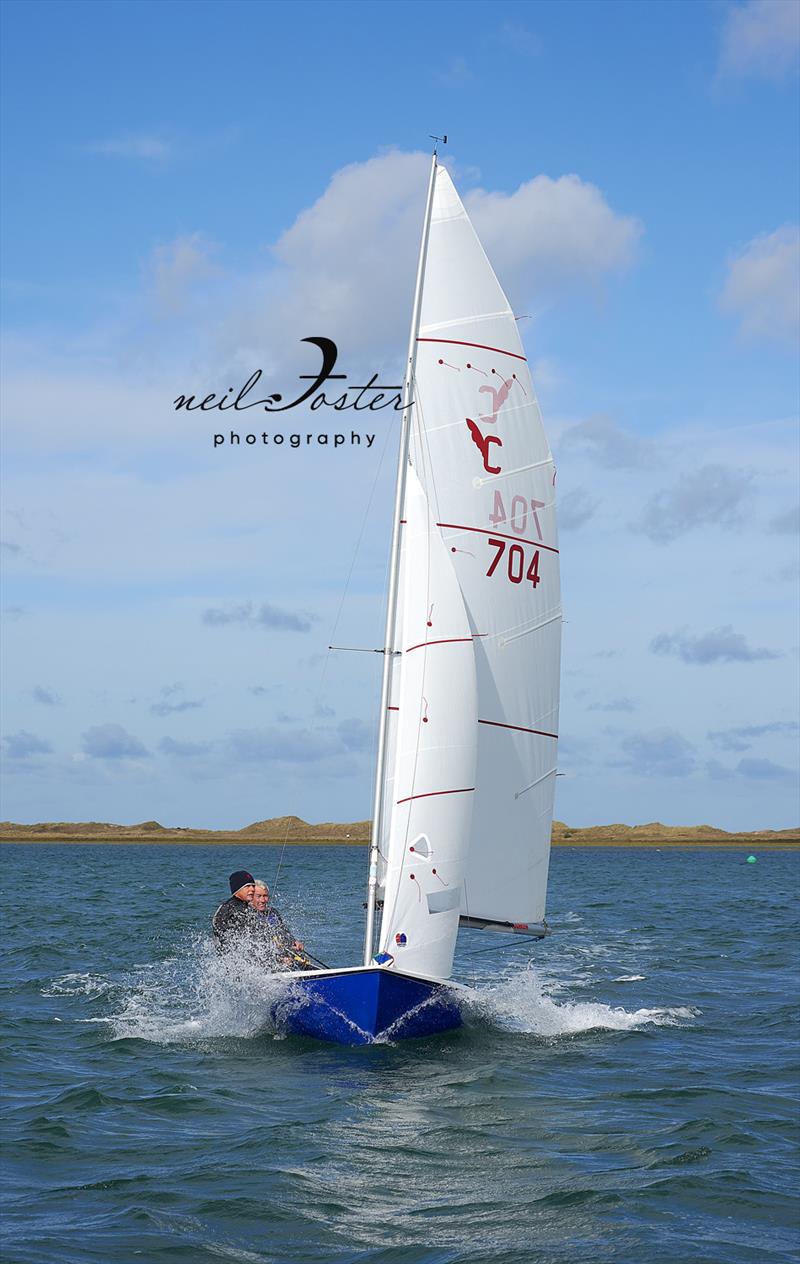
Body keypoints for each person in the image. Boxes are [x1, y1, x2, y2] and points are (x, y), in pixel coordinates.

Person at [250, 879, 312, 970]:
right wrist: (278, 960)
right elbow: (253, 948)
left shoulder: (273, 912)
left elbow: (283, 932)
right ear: (251, 897)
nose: (263, 900)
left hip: (279, 956)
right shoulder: (248, 915)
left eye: (265, 896)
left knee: (301, 957)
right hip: (260, 963)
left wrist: (294, 942)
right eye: (258, 896)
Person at [212, 870, 256, 953]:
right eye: (247, 886)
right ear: (237, 889)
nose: (252, 889)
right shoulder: (232, 908)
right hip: (232, 956)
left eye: (253, 886)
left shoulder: (241, 905)